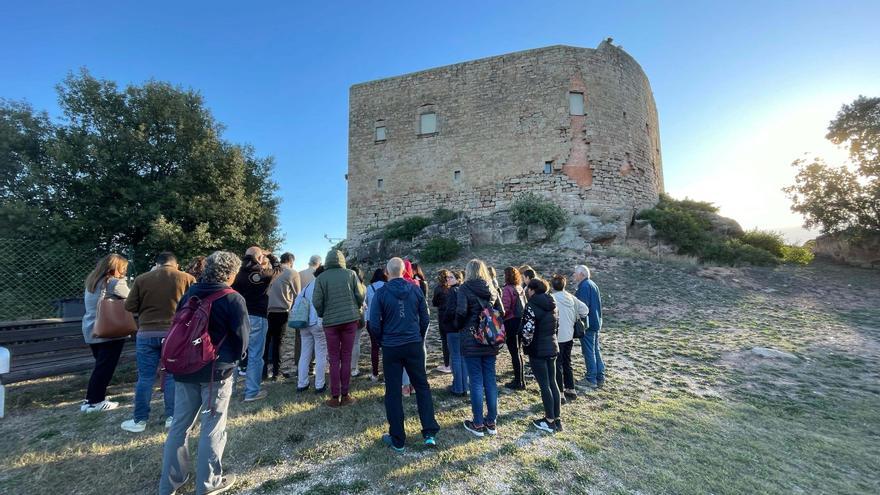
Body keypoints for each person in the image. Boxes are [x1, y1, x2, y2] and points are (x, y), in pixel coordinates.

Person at [159, 251, 250, 495]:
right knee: (213, 426)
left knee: (180, 426)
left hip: (184, 368)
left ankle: (169, 483)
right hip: (216, 372)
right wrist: (238, 360)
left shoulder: (190, 294)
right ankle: (208, 483)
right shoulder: (233, 299)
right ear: (231, 274)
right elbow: (242, 339)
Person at [369, 257, 440, 451]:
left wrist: (382, 340)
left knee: (393, 392)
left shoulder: (381, 293)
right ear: (403, 271)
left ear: (387, 271)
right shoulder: (415, 290)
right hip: (413, 344)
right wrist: (418, 337)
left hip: (392, 346)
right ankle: (429, 432)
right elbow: (425, 318)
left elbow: (374, 323)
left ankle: (398, 438)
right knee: (422, 386)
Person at [120, 252, 195, 433]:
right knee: (170, 375)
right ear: (176, 264)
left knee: (145, 378)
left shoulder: (142, 279)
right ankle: (172, 417)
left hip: (146, 333)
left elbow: (129, 306)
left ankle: (139, 421)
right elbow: (195, 304)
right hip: (174, 333)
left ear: (157, 264)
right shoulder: (187, 278)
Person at [456, 259, 505, 437]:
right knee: (490, 380)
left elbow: (461, 312)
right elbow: (502, 312)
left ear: (468, 271)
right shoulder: (492, 288)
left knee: (476, 381)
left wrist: (459, 325)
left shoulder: (464, 288)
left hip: (471, 339)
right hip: (490, 338)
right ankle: (491, 421)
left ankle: (477, 423)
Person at [312, 249, 365, 407]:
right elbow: (360, 295)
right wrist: (355, 307)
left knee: (333, 359)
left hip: (330, 323)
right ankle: (346, 394)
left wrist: (323, 313)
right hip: (350, 320)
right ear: (342, 260)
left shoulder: (321, 278)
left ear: (327, 262)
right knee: (347, 356)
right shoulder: (351, 274)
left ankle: (335, 397)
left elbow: (317, 301)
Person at [81, 254, 130, 413]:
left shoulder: (92, 282)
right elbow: (131, 298)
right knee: (105, 368)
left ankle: (90, 399)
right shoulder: (114, 282)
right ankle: (96, 402)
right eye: (123, 268)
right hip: (109, 331)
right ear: (116, 268)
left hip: (91, 330)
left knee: (100, 366)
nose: (124, 271)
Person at [231, 246, 281, 402]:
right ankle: (251, 392)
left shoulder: (235, 273)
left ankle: (227, 390)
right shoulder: (262, 273)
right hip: (257, 316)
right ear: (259, 258)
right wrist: (271, 256)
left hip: (236, 316)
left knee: (233, 355)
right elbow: (278, 270)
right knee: (255, 356)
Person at [521, 278, 561, 433]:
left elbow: (527, 331)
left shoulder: (531, 306)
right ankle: (556, 418)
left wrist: (525, 344)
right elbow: (556, 326)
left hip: (538, 349)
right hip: (552, 346)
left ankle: (549, 420)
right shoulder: (553, 304)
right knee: (553, 383)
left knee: (544, 385)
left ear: (532, 290)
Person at [550, 274, 588, 402]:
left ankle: (560, 393)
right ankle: (571, 389)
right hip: (569, 335)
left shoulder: (552, 298)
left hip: (557, 336)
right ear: (564, 285)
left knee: (557, 364)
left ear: (552, 285)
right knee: (567, 362)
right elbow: (585, 310)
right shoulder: (571, 297)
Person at [265, 252, 301, 381]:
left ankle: (263, 372)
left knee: (266, 341)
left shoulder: (270, 271)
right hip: (281, 311)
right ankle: (276, 372)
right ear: (291, 261)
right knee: (278, 342)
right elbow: (298, 293)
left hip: (266, 311)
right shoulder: (291, 272)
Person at [293, 266, 328, 393]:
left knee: (305, 354)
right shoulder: (323, 285)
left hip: (304, 323)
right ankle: (319, 384)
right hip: (318, 323)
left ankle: (302, 383)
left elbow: (298, 301)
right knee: (321, 354)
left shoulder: (307, 286)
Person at [573, 264, 605, 389]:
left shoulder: (584, 286)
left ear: (582, 274)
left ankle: (591, 378)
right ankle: (600, 376)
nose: (574, 275)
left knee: (589, 351)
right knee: (595, 349)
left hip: (588, 324)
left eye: (576, 273)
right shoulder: (592, 284)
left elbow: (583, 307)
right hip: (596, 322)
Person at [294, 255, 323, 372]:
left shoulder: (299, 274)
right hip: (316, 318)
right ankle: (315, 372)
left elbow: (297, 295)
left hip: (302, 316)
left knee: (302, 346)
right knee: (319, 348)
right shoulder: (321, 279)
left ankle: (301, 374)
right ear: (319, 264)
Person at [441, 271, 468, 396]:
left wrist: (445, 320)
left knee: (456, 358)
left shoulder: (453, 291)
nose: (448, 279)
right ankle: (464, 387)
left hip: (453, 327)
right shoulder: (463, 290)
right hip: (462, 328)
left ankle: (458, 387)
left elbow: (451, 309)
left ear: (458, 279)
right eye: (447, 277)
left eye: (451, 277)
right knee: (462, 358)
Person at [500, 267, 527, 390]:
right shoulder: (520, 288)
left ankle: (518, 381)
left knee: (514, 353)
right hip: (521, 321)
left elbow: (505, 308)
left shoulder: (507, 289)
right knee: (519, 352)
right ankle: (521, 379)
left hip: (511, 323)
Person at [364, 268, 387, 382]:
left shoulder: (369, 288)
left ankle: (375, 374)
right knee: (387, 347)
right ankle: (387, 373)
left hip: (372, 320)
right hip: (386, 320)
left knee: (374, 347)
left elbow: (366, 303)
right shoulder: (387, 286)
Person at [431, 270, 453, 373]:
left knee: (445, 341)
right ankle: (454, 363)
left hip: (443, 315)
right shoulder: (452, 288)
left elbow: (434, 302)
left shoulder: (438, 289)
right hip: (453, 316)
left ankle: (447, 364)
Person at [349, 265, 366, 378]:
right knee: (355, 342)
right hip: (359, 316)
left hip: (346, 317)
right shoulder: (363, 287)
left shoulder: (346, 286)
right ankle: (353, 368)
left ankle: (345, 366)